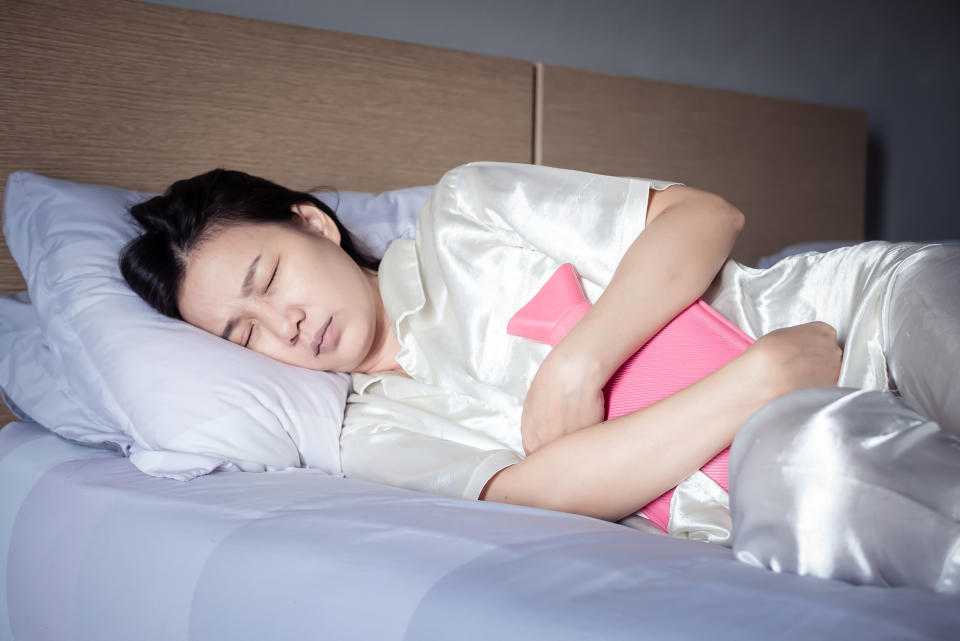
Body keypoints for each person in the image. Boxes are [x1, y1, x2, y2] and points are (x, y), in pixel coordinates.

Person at [119, 162, 960, 582]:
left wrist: (580, 358)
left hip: (859, 308)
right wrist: (762, 377)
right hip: (766, 458)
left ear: (313, 224)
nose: (284, 325)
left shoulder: (465, 213)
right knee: (814, 470)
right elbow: (533, 494)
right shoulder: (369, 432)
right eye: (244, 333)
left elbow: (702, 215)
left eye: (267, 280)